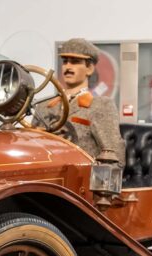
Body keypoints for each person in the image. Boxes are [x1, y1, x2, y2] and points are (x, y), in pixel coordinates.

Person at [33, 38, 125, 168]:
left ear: (90, 68)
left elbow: (115, 158)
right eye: (65, 62)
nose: (68, 67)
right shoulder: (43, 107)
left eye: (75, 62)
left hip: (80, 176)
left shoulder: (100, 105)